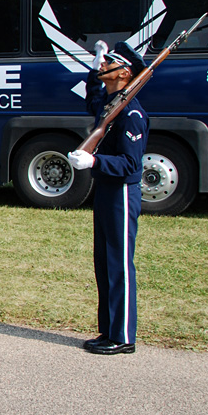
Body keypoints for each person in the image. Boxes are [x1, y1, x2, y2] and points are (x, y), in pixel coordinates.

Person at [68, 41, 149, 355]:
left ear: (125, 73)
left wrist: (95, 161)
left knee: (119, 264)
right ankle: (109, 330)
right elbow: (92, 101)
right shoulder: (113, 102)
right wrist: (93, 68)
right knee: (103, 261)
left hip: (122, 193)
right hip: (105, 190)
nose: (103, 66)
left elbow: (131, 164)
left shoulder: (131, 114)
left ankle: (124, 336)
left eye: (108, 63)